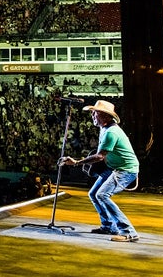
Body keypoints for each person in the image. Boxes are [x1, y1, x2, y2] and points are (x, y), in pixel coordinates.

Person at [60, 100, 140, 242]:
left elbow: (99, 156)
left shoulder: (111, 132)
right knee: (94, 194)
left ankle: (129, 232)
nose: (92, 116)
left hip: (125, 170)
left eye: (95, 113)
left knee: (102, 195)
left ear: (105, 116)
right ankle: (109, 226)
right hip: (114, 168)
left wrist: (77, 162)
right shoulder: (104, 129)